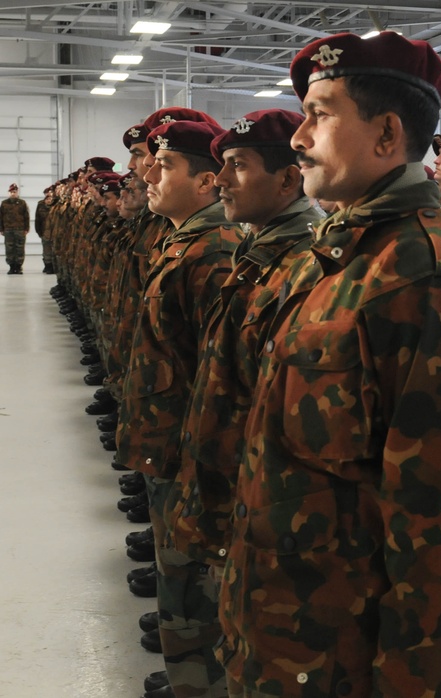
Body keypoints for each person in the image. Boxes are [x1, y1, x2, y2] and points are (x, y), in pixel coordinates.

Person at [215, 31, 441, 697]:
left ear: (386, 134)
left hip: (344, 660)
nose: (299, 138)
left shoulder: (430, 280)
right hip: (286, 633)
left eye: (320, 115)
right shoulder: (331, 256)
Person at [169, 108, 322, 586]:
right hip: (236, 478)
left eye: (238, 165)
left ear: (287, 180)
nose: (220, 182)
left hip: (269, 498)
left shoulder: (305, 262)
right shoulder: (259, 252)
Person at [117, 117, 243, 698]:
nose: (148, 174)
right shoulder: (185, 241)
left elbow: (215, 374)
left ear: (205, 182)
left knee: (195, 576)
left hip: (190, 452)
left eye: (164, 165)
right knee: (179, 572)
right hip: (169, 446)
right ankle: (188, 671)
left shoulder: (215, 252)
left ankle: (201, 681)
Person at [1, 183, 30, 274]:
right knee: (9, 248)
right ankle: (11, 266)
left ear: (17, 192)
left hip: (19, 229)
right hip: (8, 229)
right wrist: (1, 229)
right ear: (8, 193)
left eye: (14, 192)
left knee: (19, 248)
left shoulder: (22, 203)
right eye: (11, 192)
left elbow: (26, 216)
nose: (13, 194)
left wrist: (26, 228)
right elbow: (0, 217)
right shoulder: (4, 203)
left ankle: (18, 266)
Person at [35, 187, 54, 273]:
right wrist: (39, 232)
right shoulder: (40, 205)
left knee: (54, 250)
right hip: (45, 232)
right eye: (47, 197)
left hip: (54, 232)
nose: (49, 199)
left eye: (50, 197)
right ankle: (48, 265)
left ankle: (53, 266)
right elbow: (37, 220)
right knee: (46, 251)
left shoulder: (56, 206)